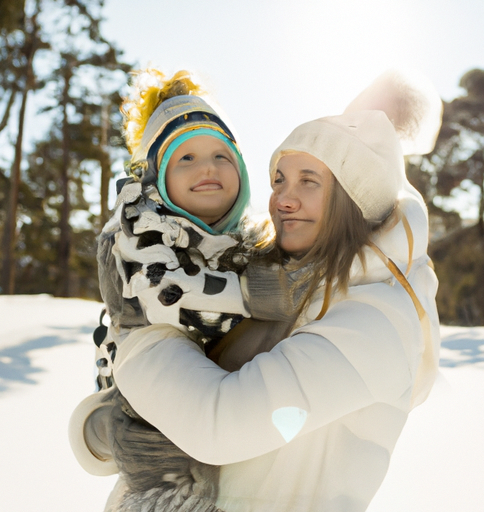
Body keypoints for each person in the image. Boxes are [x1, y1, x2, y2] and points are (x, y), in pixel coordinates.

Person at [73, 70, 443, 512]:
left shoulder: (377, 322)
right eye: (279, 180)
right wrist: (100, 428)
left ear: (353, 196)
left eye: (309, 181)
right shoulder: (279, 283)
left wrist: (141, 341)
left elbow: (218, 424)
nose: (282, 199)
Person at [71, 69, 296, 512]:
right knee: (170, 486)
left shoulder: (248, 240)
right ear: (156, 177)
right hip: (148, 410)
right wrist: (268, 292)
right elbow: (170, 296)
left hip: (223, 412)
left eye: (221, 155)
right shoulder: (137, 230)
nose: (207, 167)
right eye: (185, 158)